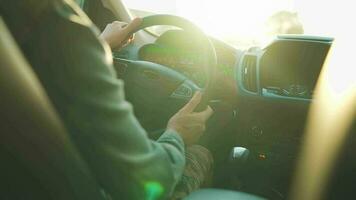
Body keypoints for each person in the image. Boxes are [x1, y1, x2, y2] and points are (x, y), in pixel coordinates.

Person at [1, 0, 213, 199]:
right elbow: (148, 179)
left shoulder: (17, 22)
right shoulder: (54, 22)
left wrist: (101, 45)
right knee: (200, 153)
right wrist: (176, 134)